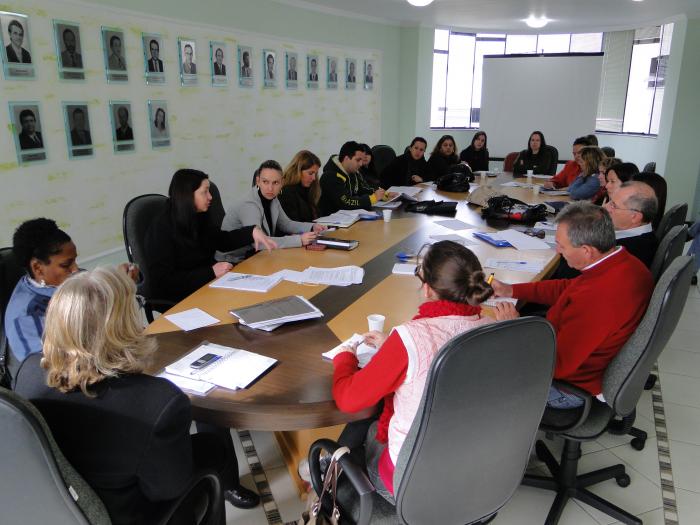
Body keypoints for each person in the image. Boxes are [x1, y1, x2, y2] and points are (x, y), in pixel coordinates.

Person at [13, 267, 258, 524]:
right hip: (129, 516)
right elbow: (168, 489)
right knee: (212, 450)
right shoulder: (158, 404)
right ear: (122, 325)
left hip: (64, 506)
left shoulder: (28, 374)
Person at [332, 241, 500, 499]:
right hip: (474, 464)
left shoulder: (411, 337)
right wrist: (394, 347)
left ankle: (329, 479)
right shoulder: (492, 327)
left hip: (412, 480)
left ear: (427, 289)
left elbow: (348, 399)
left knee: (363, 422)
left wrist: (344, 357)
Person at [490, 202, 654, 409]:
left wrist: (514, 328)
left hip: (566, 388)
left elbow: (556, 367)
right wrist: (511, 290)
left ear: (586, 250)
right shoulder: (620, 262)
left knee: (480, 364)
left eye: (562, 245)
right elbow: (568, 288)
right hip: (567, 351)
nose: (557, 251)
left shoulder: (597, 299)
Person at [145, 169, 276, 304]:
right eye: (205, 192)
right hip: (180, 297)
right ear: (188, 195)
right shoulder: (161, 228)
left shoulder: (198, 216)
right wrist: (210, 272)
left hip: (206, 286)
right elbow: (164, 282)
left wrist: (251, 232)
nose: (210, 197)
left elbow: (220, 240)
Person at [4, 219, 78, 365]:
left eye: (75, 260)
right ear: (38, 268)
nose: (76, 270)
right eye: (66, 265)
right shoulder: (26, 317)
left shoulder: (72, 281)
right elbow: (46, 374)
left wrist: (120, 283)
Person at [221, 160, 326, 260]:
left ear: (282, 183)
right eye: (265, 182)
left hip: (256, 255)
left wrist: (312, 227)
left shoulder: (272, 198)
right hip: (233, 260)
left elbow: (286, 224)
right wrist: (299, 240)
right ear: (258, 181)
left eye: (275, 183)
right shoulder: (249, 205)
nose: (270, 188)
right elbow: (259, 242)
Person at [319, 141, 385, 215]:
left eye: (361, 160)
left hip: (348, 218)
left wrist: (383, 195)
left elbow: (363, 190)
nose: (361, 164)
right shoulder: (330, 176)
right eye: (358, 160)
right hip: (331, 222)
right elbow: (346, 202)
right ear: (346, 158)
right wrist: (372, 198)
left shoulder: (352, 172)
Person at [603, 181, 659, 267]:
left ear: (635, 217)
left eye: (613, 205)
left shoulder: (629, 252)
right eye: (610, 201)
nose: (605, 207)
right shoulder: (637, 237)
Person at [279, 150, 322, 222]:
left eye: (315, 173)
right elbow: (292, 224)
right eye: (310, 173)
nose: (314, 178)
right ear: (297, 171)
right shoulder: (286, 193)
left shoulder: (310, 189)